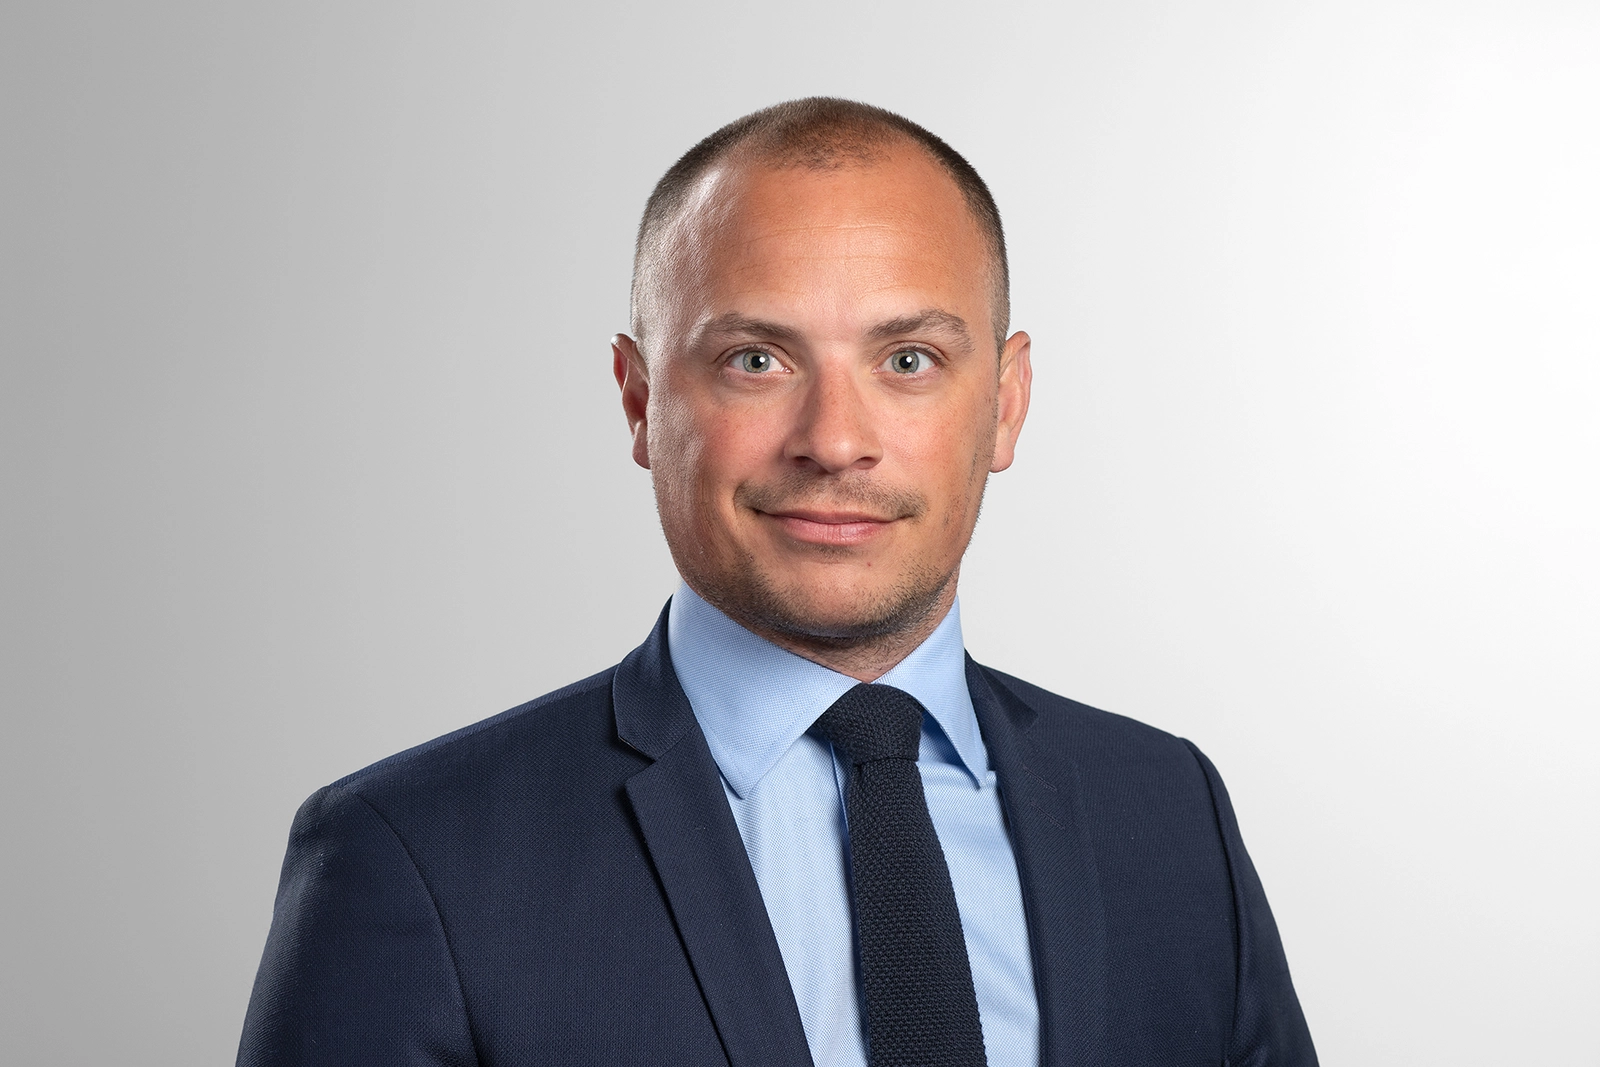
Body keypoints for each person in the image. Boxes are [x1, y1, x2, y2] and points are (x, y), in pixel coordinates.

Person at [237, 98, 1317, 1067]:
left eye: (907, 359)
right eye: (756, 359)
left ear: (1006, 401)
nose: (834, 441)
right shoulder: (414, 855)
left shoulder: (1167, 810)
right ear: (639, 401)